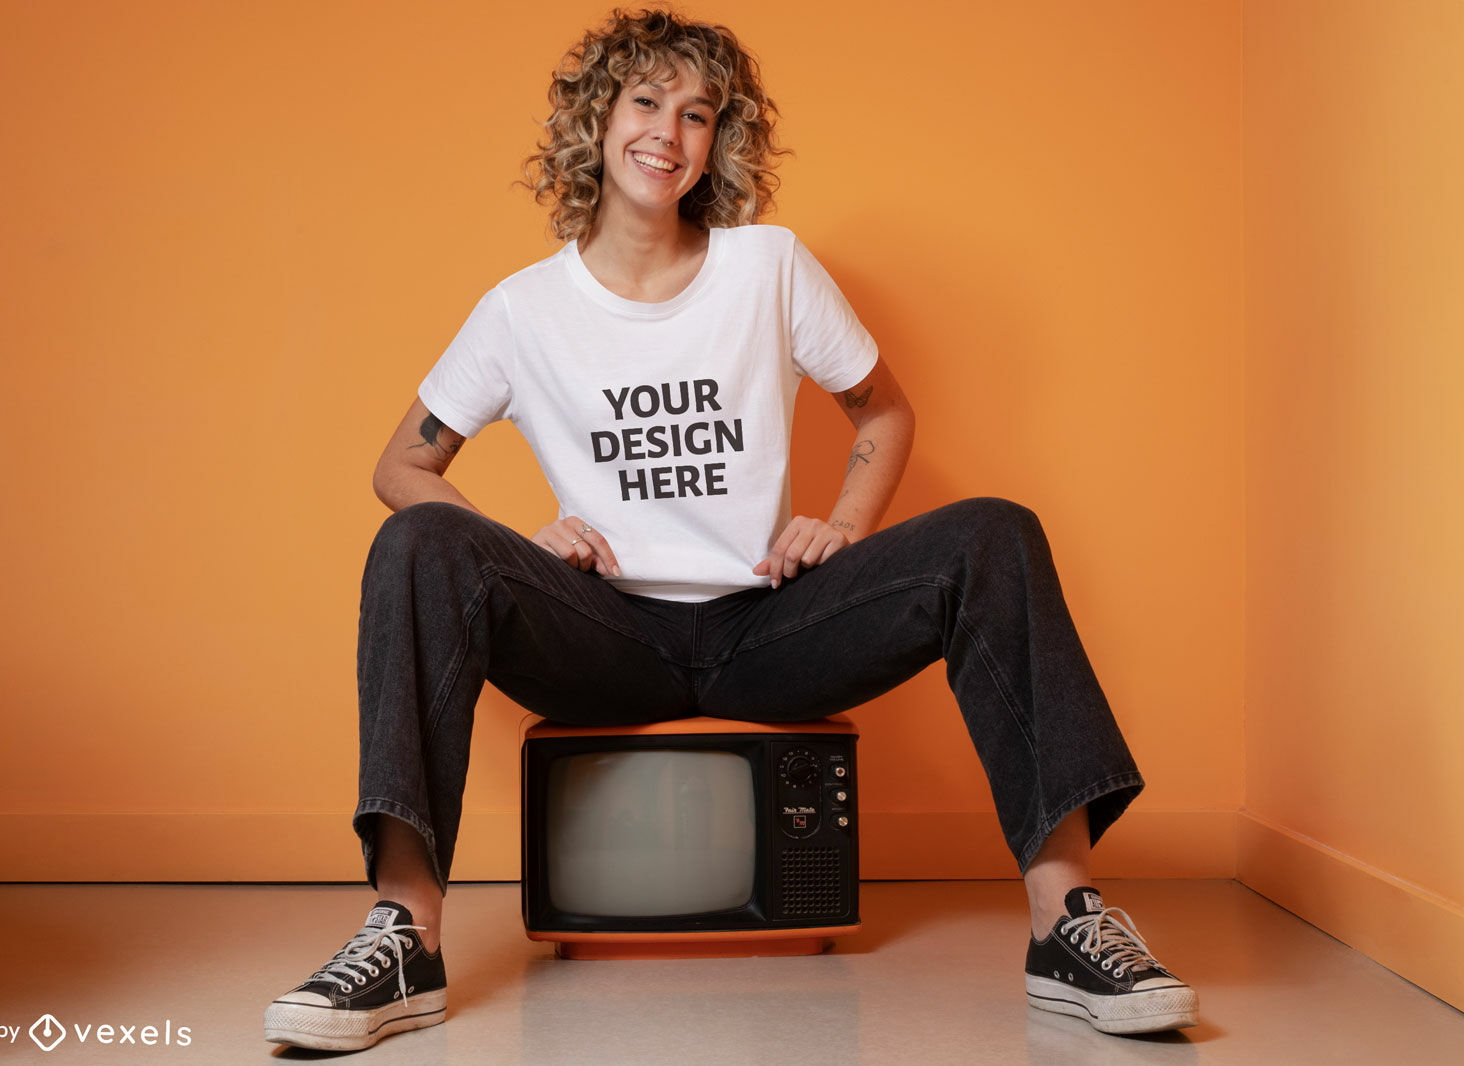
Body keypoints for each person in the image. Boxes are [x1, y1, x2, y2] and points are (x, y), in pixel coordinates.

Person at [264, 8, 1198, 1052]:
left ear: (718, 143)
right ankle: (404, 933)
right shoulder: (521, 312)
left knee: (995, 532)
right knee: (416, 542)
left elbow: (882, 410)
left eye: (698, 113)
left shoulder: (769, 266)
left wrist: (842, 524)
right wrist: (526, 552)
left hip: (768, 628)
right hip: (606, 636)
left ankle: (1065, 921)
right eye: (647, 102)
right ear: (597, 119)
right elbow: (402, 466)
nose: (669, 131)